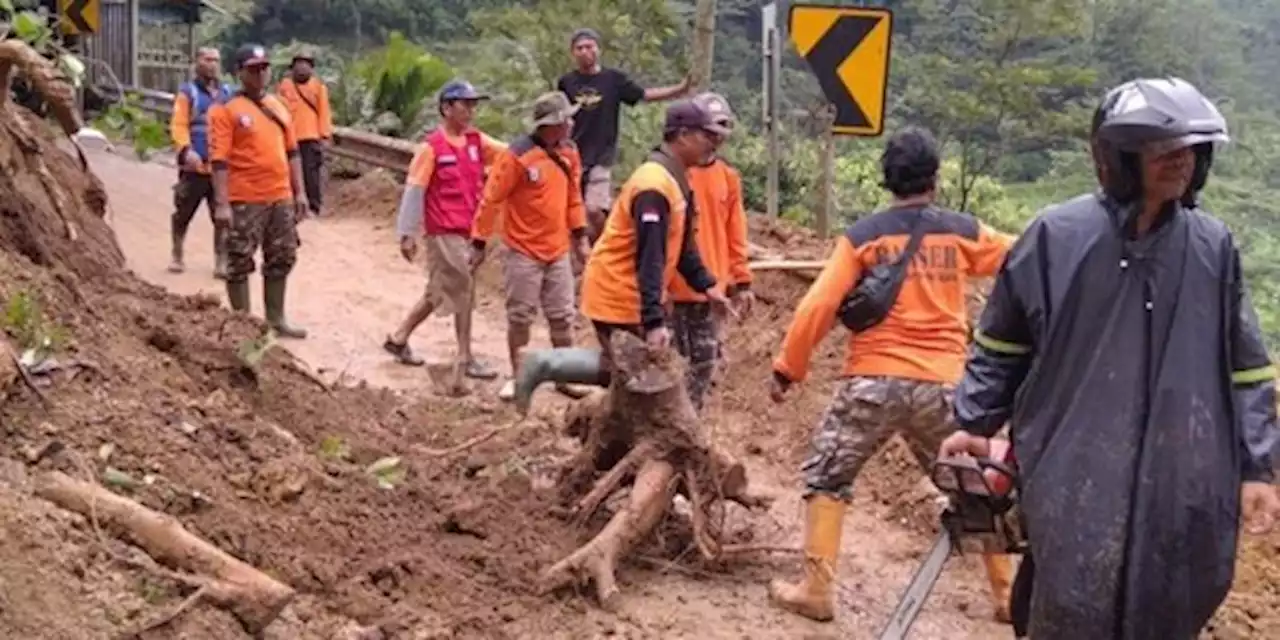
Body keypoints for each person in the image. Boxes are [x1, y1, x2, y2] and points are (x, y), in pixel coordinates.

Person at [936, 77, 1280, 639]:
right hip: (1075, 473)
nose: (1181, 162)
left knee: (1172, 607)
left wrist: (1257, 466)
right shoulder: (1056, 237)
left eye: (1191, 150)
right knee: (1068, 604)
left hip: (1186, 481)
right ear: (1116, 158)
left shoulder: (1213, 247)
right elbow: (1002, 344)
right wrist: (974, 422)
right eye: (1163, 150)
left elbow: (1247, 365)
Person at [765, 126, 1017, 623]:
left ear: (887, 179)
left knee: (827, 475)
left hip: (874, 380)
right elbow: (1025, 256)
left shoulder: (862, 237)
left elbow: (819, 305)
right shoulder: (963, 232)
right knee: (974, 485)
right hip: (946, 384)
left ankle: (817, 591)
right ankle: (1008, 596)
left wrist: (787, 369)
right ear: (936, 178)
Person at [510, 99, 733, 415]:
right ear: (682, 136)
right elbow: (650, 259)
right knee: (638, 372)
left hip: (630, 292)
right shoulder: (654, 186)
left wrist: (707, 284)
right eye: (705, 136)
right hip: (618, 293)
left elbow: (682, 246)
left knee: (635, 372)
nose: (713, 143)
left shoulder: (677, 177)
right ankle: (544, 364)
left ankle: (551, 369)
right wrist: (654, 320)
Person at [470, 92, 592, 401]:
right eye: (567, 119)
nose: (572, 123)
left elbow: (573, 196)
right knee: (520, 316)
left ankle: (566, 375)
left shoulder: (570, 153)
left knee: (563, 316)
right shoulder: (516, 157)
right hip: (523, 250)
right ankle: (518, 375)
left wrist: (580, 237)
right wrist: (479, 241)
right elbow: (492, 199)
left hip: (557, 249)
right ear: (553, 124)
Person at [384, 80, 503, 381]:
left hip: (470, 229)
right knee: (462, 288)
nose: (471, 111)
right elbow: (415, 190)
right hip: (443, 230)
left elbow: (508, 155)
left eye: (474, 105)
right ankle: (465, 358)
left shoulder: (478, 142)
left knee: (440, 290)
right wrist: (407, 232)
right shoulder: (431, 147)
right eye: (465, 104)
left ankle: (399, 338)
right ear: (446, 107)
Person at [557, 28, 692, 248]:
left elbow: (643, 95)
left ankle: (607, 245)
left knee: (593, 209)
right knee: (574, 213)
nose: (584, 52)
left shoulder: (613, 80)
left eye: (589, 46)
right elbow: (558, 114)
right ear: (572, 53)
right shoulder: (566, 82)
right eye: (579, 48)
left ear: (598, 49)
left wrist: (678, 90)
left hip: (602, 154)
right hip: (572, 155)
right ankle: (585, 256)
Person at [208, 44, 309, 339]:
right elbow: (219, 161)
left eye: (264, 67)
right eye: (253, 68)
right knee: (239, 259)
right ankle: (244, 324)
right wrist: (223, 203)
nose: (261, 73)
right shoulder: (226, 112)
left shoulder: (279, 106)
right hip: (245, 199)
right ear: (239, 72)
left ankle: (276, 319)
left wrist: (299, 192)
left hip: (280, 197)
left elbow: (293, 152)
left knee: (282, 255)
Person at [668, 91, 753, 412]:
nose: (715, 140)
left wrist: (741, 281)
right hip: (673, 288)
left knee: (704, 363)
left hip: (711, 289)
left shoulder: (728, 178)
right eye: (710, 133)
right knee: (671, 364)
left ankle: (691, 423)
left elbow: (736, 232)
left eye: (720, 133)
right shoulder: (672, 174)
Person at [168, 46, 233, 277]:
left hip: (220, 169)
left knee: (222, 216)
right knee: (183, 212)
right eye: (207, 59)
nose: (213, 64)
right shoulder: (188, 93)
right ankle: (177, 254)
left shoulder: (227, 93)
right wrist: (186, 150)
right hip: (194, 167)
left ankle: (221, 261)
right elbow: (178, 124)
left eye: (216, 60)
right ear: (197, 62)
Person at [276, 49, 333, 217]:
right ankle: (293, 205)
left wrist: (325, 136)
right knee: (289, 173)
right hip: (289, 137)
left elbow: (324, 112)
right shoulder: (284, 86)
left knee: (311, 174)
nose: (302, 68)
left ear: (311, 68)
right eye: (298, 64)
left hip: (310, 137)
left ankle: (313, 206)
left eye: (305, 64)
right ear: (292, 68)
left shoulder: (318, 87)